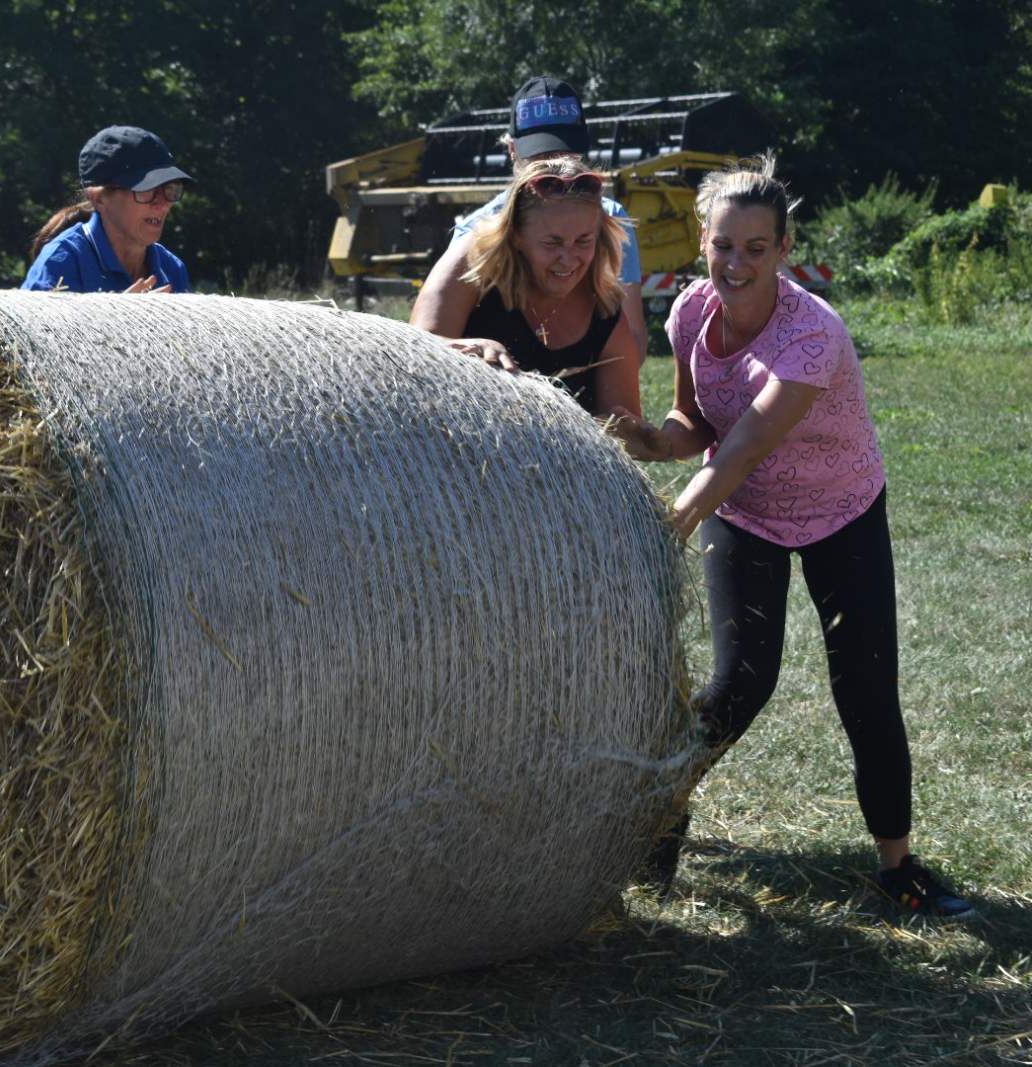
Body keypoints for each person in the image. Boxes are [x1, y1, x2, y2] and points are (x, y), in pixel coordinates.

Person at [607, 157, 973, 918]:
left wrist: (670, 525)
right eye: (722, 245)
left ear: (783, 248)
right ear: (703, 243)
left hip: (842, 509)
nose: (736, 263)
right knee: (741, 683)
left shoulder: (814, 335)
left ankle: (898, 866)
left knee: (867, 689)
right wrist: (642, 437)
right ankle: (660, 818)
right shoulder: (687, 316)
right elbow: (700, 428)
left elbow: (742, 448)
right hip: (749, 516)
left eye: (755, 247)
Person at [417, 76, 649, 359]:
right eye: (541, 154)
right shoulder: (474, 231)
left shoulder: (612, 220)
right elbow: (425, 346)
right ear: (512, 149)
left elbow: (632, 333)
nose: (556, 165)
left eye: (566, 152)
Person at [410, 155, 642, 419]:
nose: (568, 259)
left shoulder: (605, 311)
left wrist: (650, 440)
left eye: (583, 241)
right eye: (552, 243)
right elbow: (414, 352)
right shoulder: (471, 262)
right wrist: (467, 348)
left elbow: (624, 427)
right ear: (516, 236)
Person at [22, 125, 192, 294]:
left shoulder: (172, 269)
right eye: (146, 190)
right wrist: (118, 318)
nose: (162, 204)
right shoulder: (60, 263)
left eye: (169, 189)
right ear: (99, 198)